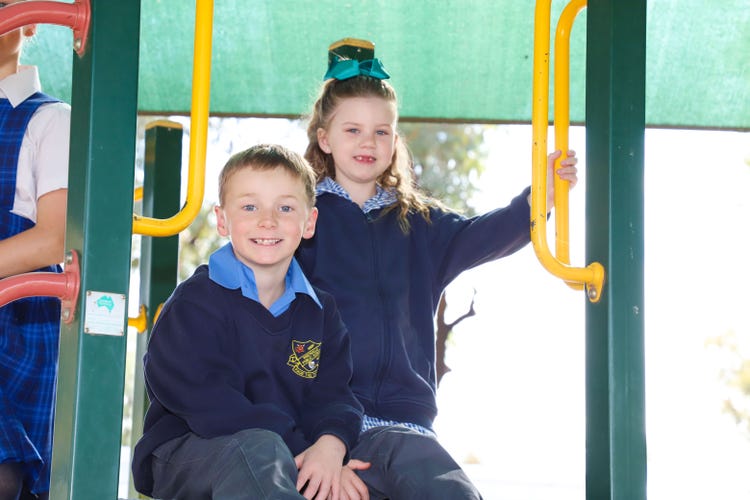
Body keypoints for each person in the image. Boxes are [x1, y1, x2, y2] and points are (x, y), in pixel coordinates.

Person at [296, 38, 579, 499]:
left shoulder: (420, 223)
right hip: (325, 421)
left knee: (449, 491)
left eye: (382, 131)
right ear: (324, 138)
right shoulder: (303, 220)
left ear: (394, 139)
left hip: (406, 424)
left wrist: (540, 197)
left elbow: (489, 234)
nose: (368, 142)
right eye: (352, 130)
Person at [131, 144, 369, 500]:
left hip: (283, 449)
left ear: (309, 223)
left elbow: (334, 395)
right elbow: (210, 404)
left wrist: (331, 446)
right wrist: (302, 452)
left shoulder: (320, 311)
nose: (268, 220)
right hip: (188, 451)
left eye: (285, 207)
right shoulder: (196, 303)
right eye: (249, 206)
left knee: (399, 449)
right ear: (222, 220)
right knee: (260, 450)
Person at [0, 2, 71, 499]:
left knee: (10, 465)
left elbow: (52, 236)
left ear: (29, 20)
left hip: (16, 321)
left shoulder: (48, 119)